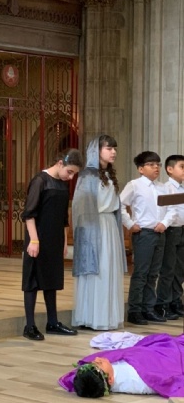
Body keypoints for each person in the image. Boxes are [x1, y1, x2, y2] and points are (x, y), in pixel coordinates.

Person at [21, 149, 84, 341]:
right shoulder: (40, 181)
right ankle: (29, 326)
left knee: (51, 280)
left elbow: (63, 218)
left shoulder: (63, 185)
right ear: (60, 163)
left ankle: (53, 322)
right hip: (37, 238)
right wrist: (34, 240)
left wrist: (64, 242)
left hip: (54, 239)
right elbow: (29, 214)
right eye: (70, 172)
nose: (71, 177)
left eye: (74, 174)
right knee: (32, 281)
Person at [72, 135, 127, 330]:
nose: (113, 152)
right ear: (97, 151)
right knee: (98, 270)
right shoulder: (87, 175)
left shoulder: (110, 175)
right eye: (109, 148)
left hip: (110, 225)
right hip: (94, 227)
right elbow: (80, 207)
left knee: (109, 270)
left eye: (114, 148)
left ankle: (108, 317)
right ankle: (93, 317)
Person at [120, 151, 176, 325]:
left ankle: (148, 309)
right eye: (151, 164)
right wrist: (130, 224)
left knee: (153, 274)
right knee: (141, 273)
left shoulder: (163, 187)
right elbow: (120, 205)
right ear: (141, 169)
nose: (156, 167)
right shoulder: (134, 185)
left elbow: (172, 209)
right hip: (143, 233)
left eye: (158, 164)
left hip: (160, 233)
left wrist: (165, 223)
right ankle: (135, 310)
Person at [58, 333, 184, 398]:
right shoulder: (138, 379)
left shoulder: (102, 374)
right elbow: (166, 377)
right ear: (110, 379)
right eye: (99, 363)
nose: (97, 358)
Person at [155, 155, 184, 320]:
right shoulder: (166, 188)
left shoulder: (182, 188)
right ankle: (163, 303)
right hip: (171, 230)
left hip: (182, 229)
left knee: (180, 269)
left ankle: (175, 301)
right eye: (182, 167)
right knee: (169, 269)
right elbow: (169, 211)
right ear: (170, 169)